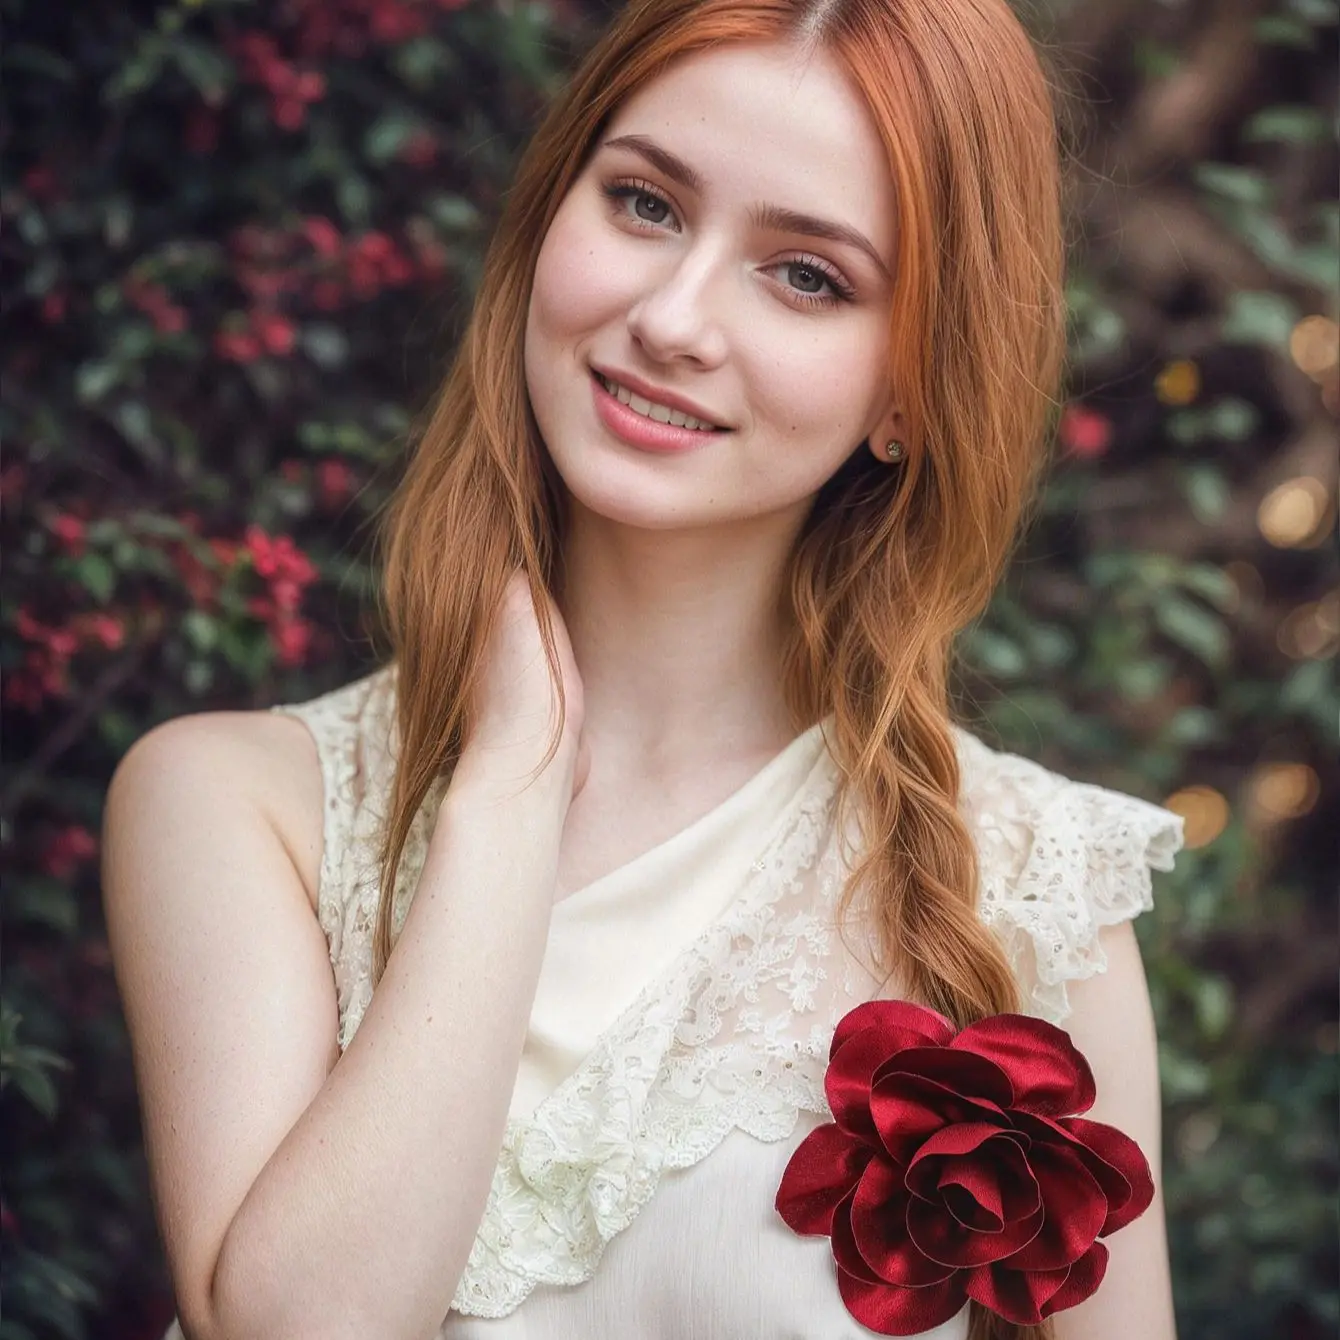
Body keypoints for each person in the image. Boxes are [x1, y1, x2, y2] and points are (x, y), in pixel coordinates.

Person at [101, 0, 1186, 1337]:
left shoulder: (1030, 889)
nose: (673, 318)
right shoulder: (242, 806)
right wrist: (510, 791)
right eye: (645, 205)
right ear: (552, 213)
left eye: (807, 276)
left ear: (910, 389)